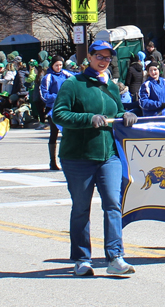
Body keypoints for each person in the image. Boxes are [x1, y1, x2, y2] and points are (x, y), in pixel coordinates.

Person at [52, 40, 138, 276]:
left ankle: (115, 257)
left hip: (108, 155)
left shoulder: (110, 85)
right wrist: (88, 118)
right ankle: (81, 258)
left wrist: (126, 115)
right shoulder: (73, 84)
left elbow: (116, 112)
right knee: (81, 208)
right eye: (99, 56)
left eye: (107, 57)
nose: (103, 61)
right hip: (78, 156)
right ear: (89, 57)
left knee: (113, 203)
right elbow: (58, 114)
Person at [40, 55, 73, 170]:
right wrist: (58, 97)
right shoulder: (48, 77)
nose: (59, 67)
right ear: (52, 65)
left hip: (66, 108)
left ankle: (67, 160)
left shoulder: (66, 74)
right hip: (52, 109)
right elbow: (44, 95)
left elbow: (77, 80)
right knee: (54, 134)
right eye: (56, 65)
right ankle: (52, 161)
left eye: (60, 65)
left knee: (68, 134)